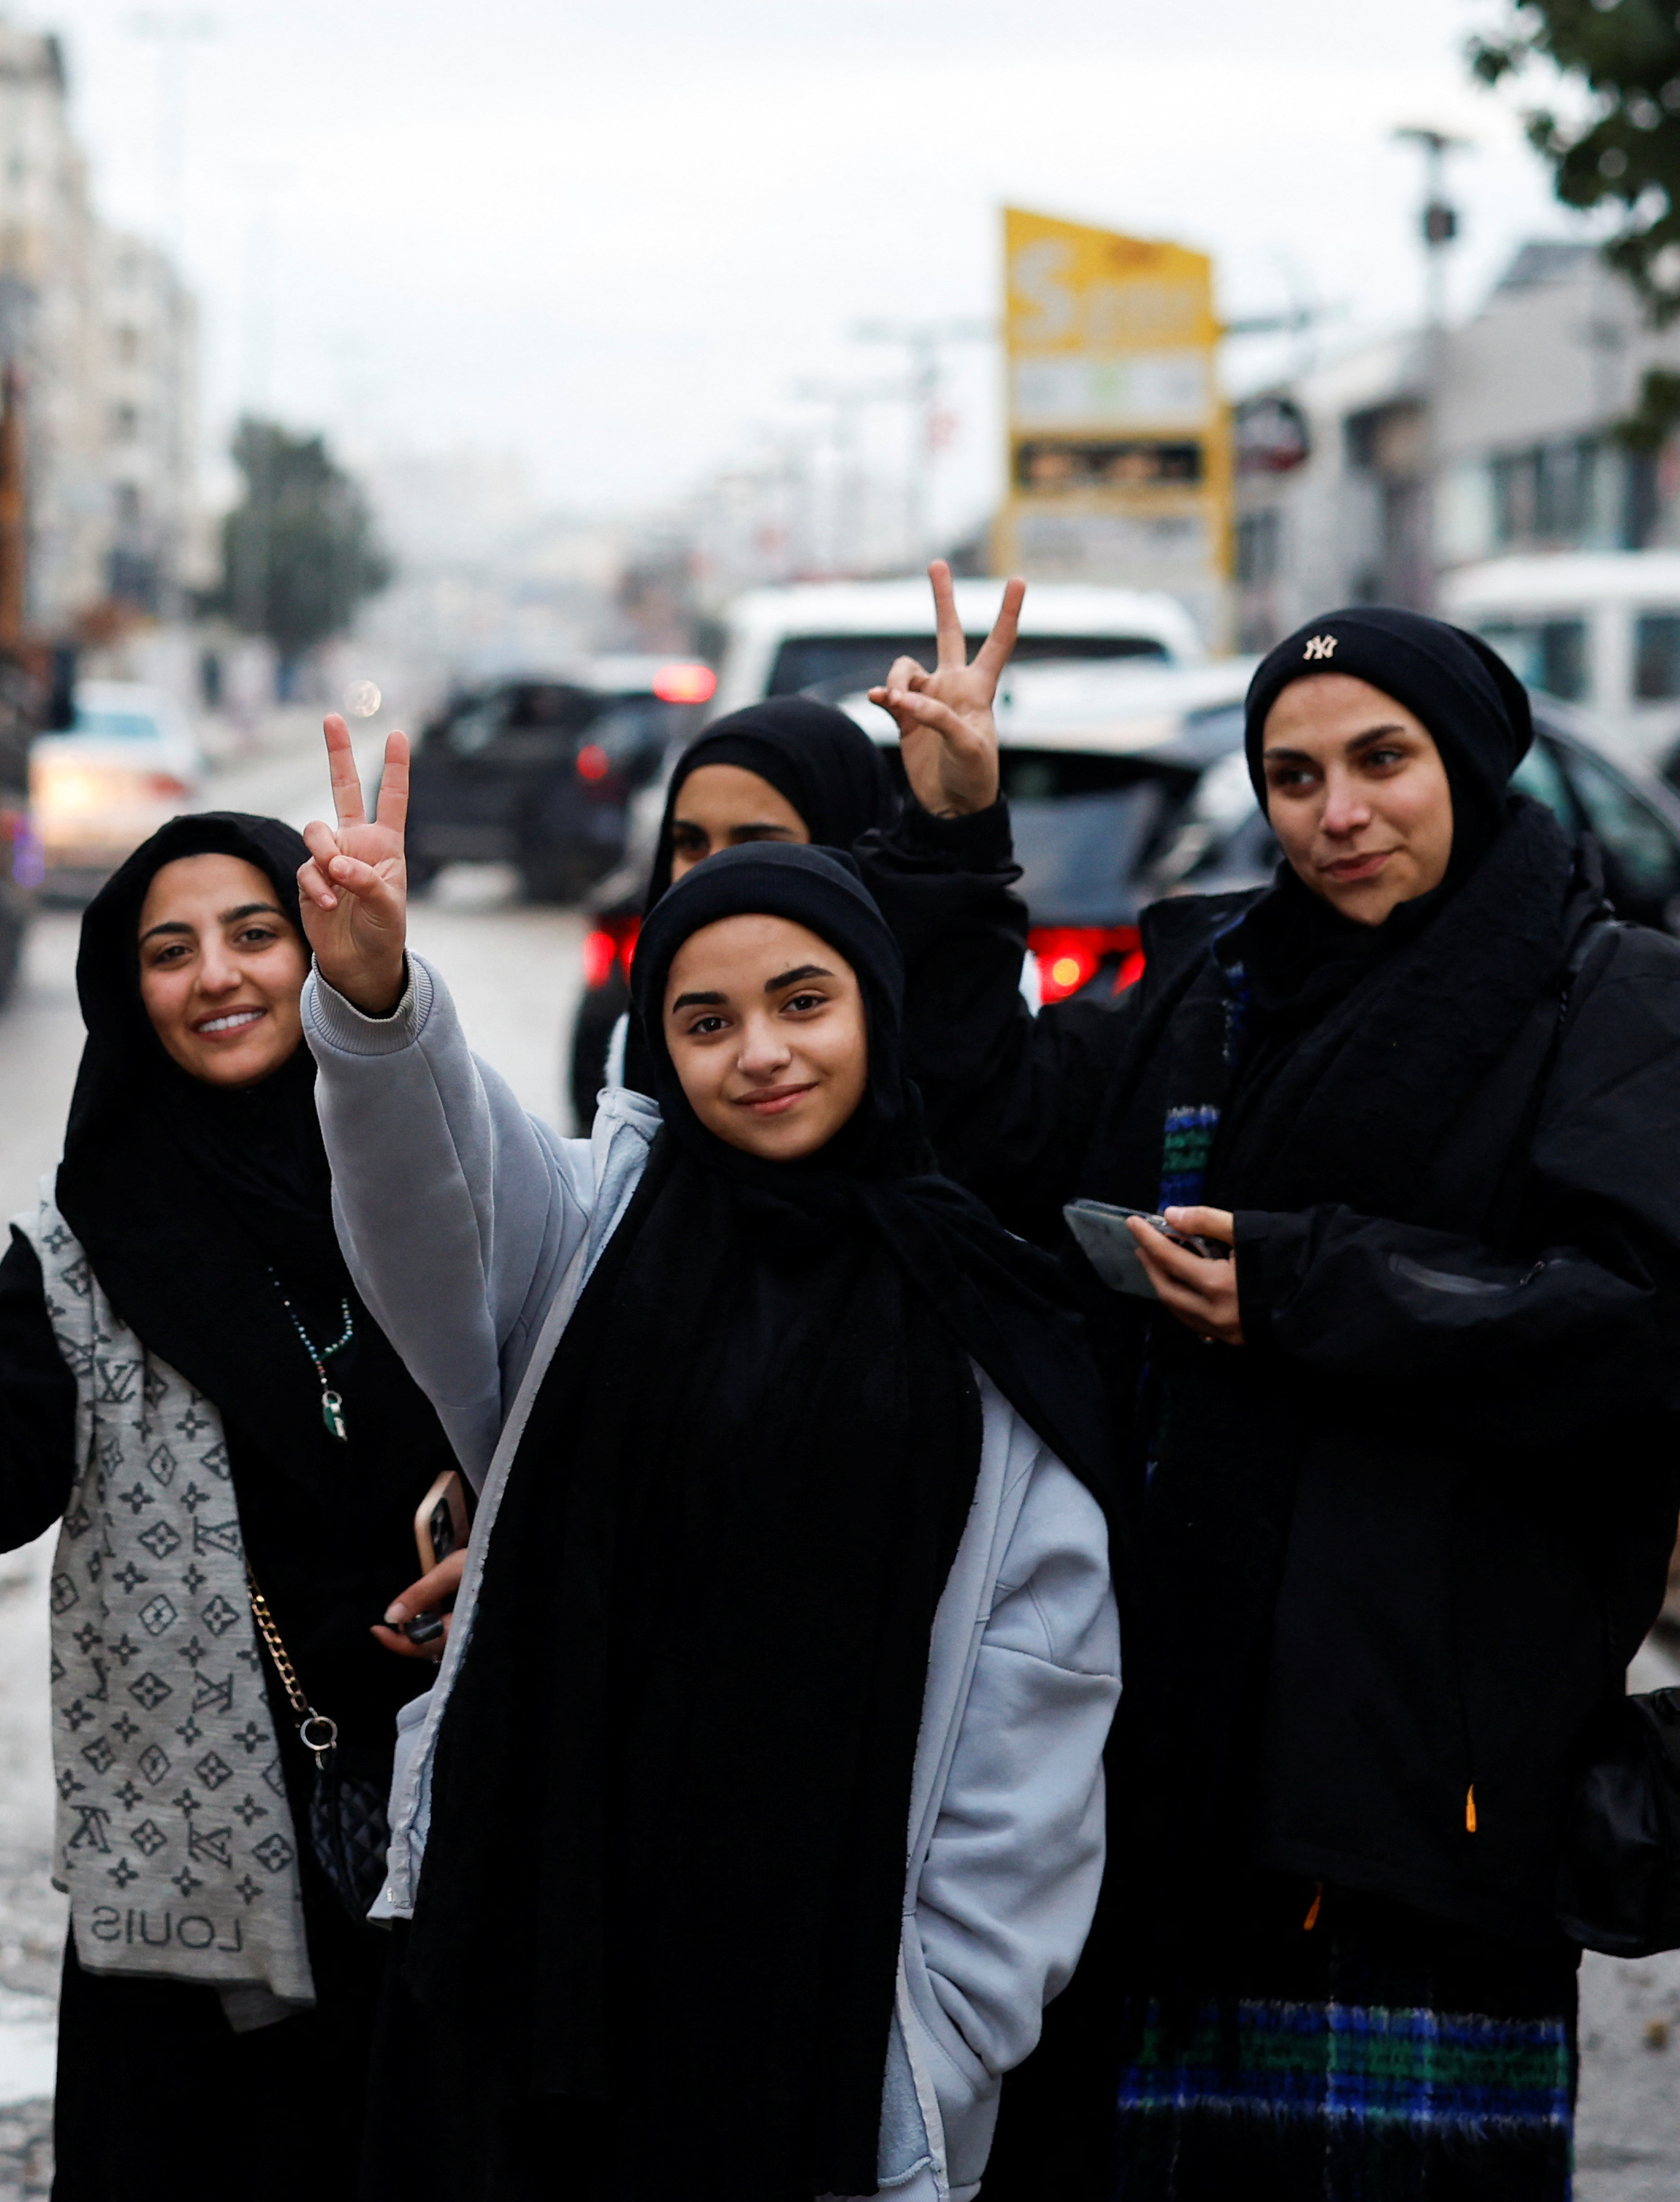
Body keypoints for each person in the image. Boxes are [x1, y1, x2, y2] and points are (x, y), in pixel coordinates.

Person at [864, 572, 1680, 2199]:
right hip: (1171, 1753)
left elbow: (1634, 1330)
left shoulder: (1608, 999)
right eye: (1291, 776)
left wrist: (1308, 1286)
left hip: (1435, 1778)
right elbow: (994, 1136)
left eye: (1381, 761)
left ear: (1466, 763)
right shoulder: (1208, 989)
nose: (1335, 813)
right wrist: (954, 840)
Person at [299, 720, 1122, 2202]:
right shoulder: (588, 1239)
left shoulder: (981, 1309)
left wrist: (947, 2022)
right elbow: (432, 1190)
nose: (759, 1054)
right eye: (704, 1021)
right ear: (658, 1048)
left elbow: (1037, 1698)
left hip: (825, 2025)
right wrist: (373, 1001)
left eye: (802, 1002)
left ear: (874, 1007)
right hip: (546, 1981)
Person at [0, 814, 458, 2202]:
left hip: (464, 1836)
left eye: (253, 934)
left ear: (314, 952)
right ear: (124, 993)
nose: (214, 975)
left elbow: (594, 1444)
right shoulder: (84, 1250)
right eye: (168, 951)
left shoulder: (455, 1188)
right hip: (195, 1898)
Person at [586, 693, 900, 1099]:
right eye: (691, 844)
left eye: (756, 844)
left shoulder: (942, 1030)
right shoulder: (642, 1052)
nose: (716, 872)